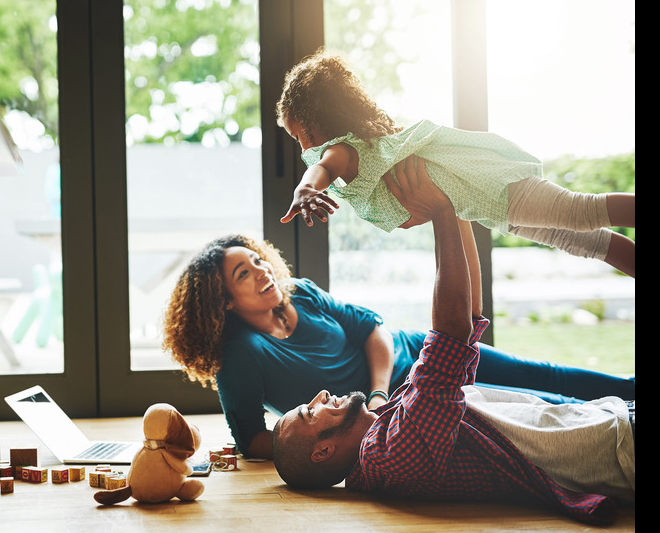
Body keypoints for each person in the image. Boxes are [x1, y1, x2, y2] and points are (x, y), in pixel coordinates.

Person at [271, 157, 634, 526]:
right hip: (619, 447)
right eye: (309, 413)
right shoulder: (390, 454)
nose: (319, 397)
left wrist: (455, 208)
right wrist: (441, 212)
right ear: (324, 452)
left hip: (611, 422)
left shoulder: (389, 424)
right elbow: (451, 335)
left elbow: (469, 321)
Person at [161, 181, 634, 462]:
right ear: (222, 302)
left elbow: (373, 328)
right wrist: (346, 439)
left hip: (418, 356)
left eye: (258, 260)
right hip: (411, 406)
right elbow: (253, 440)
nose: (263, 271)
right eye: (245, 273)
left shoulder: (299, 292)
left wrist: (378, 393)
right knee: (540, 404)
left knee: (543, 373)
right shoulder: (240, 357)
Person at [277, 49, 635, 278]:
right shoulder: (375, 145)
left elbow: (321, 168)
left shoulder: (344, 151)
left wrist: (305, 189)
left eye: (298, 137)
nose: (302, 148)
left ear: (314, 121)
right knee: (587, 242)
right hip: (488, 204)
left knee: (580, 211)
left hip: (492, 186)